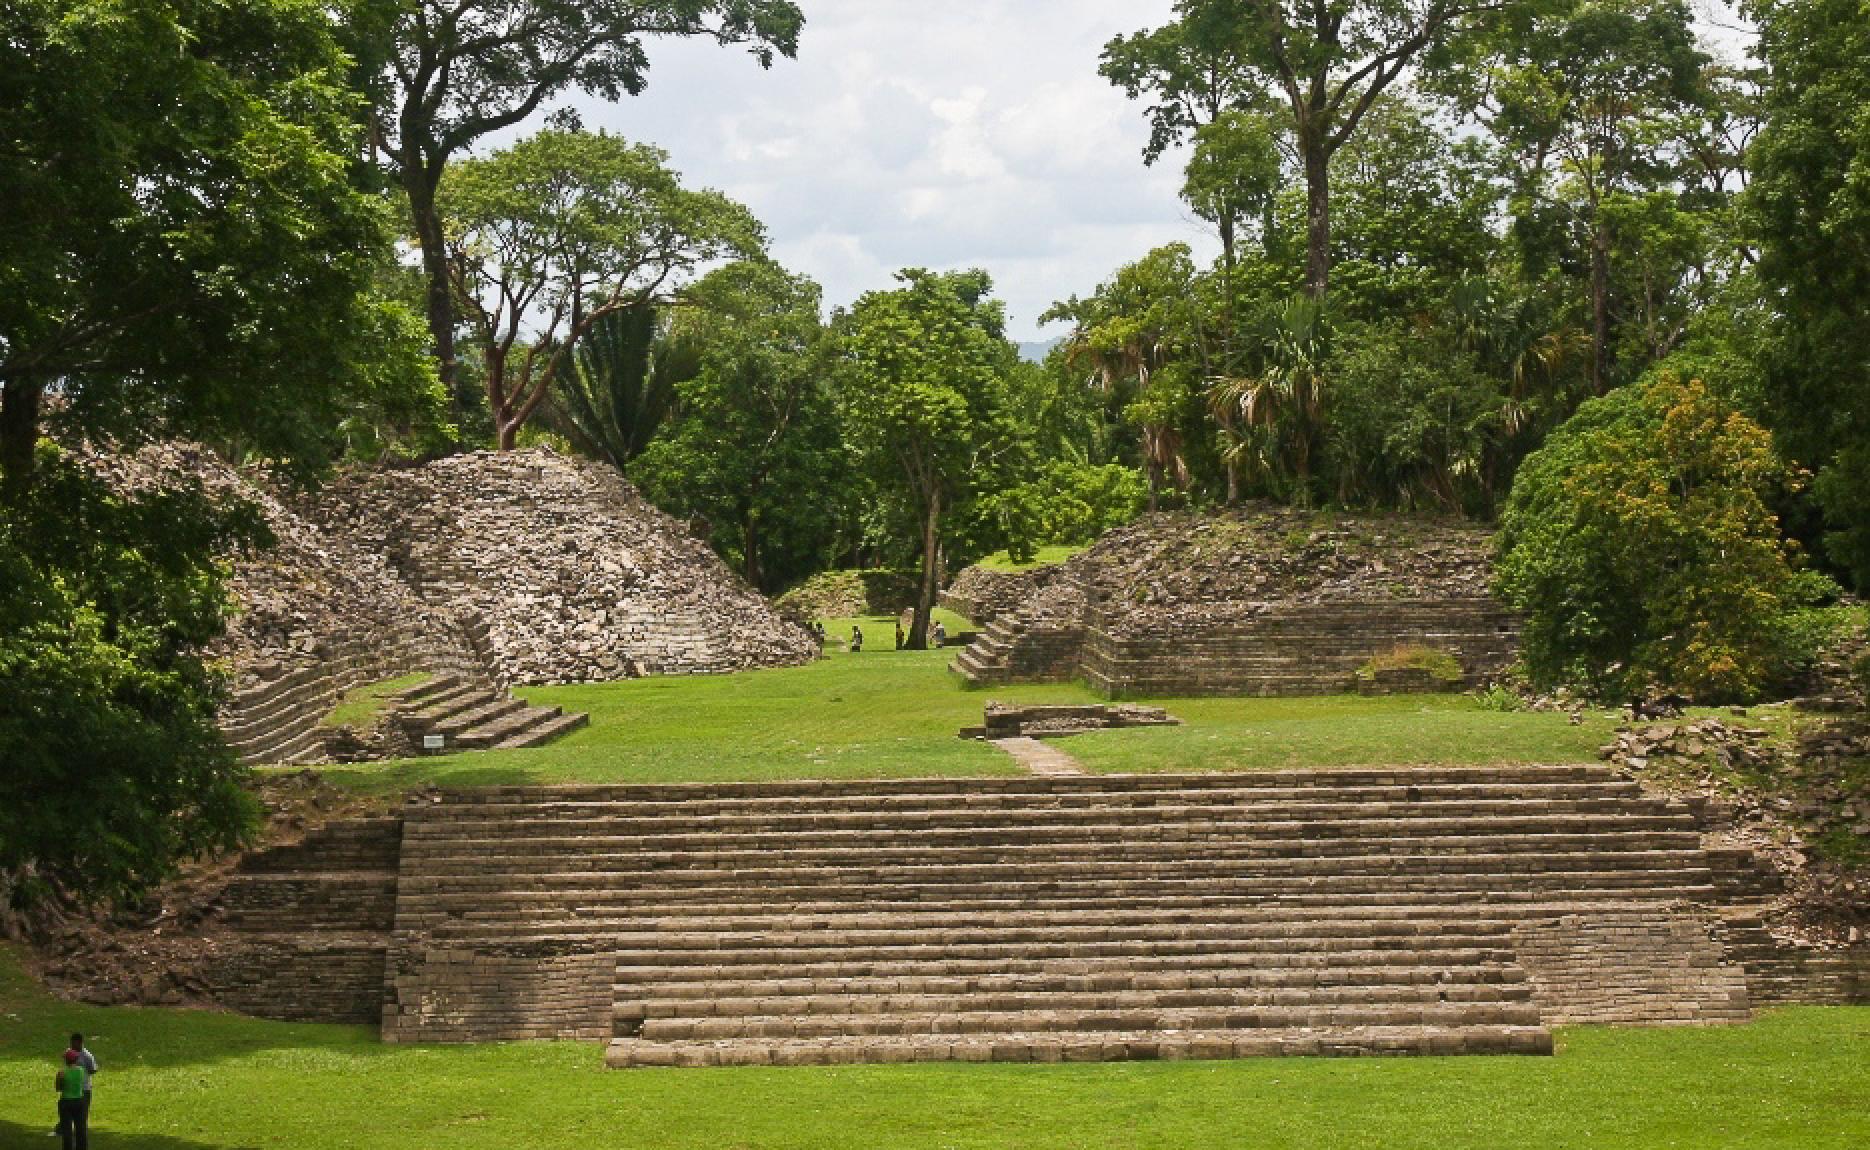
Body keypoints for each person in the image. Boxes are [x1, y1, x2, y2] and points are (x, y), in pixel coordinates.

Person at [54, 1049, 87, 1150]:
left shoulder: (62, 1072)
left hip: (66, 1102)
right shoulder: (81, 1071)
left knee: (67, 1130)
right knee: (80, 1128)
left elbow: (58, 1088)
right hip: (79, 1101)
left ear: (66, 1060)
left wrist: (59, 1079)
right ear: (76, 1060)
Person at [68, 1033, 96, 1127]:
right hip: (72, 1087)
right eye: (71, 1043)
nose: (72, 1046)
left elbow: (93, 1070)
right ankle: (64, 1128)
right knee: (69, 1110)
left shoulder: (87, 1056)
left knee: (83, 1112)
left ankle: (81, 1129)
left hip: (84, 1088)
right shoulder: (69, 1052)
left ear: (80, 1043)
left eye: (74, 1044)